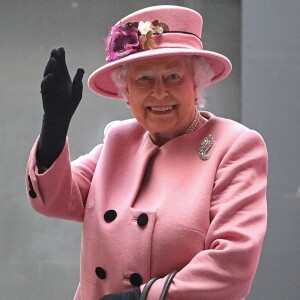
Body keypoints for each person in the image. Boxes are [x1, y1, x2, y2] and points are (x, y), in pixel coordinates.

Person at [25, 5, 268, 300]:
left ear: (197, 84)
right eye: (144, 80)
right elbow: (56, 201)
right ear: (126, 93)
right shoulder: (118, 140)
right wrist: (53, 132)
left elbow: (232, 264)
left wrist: (139, 297)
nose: (159, 93)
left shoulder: (235, 147)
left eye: (173, 77)